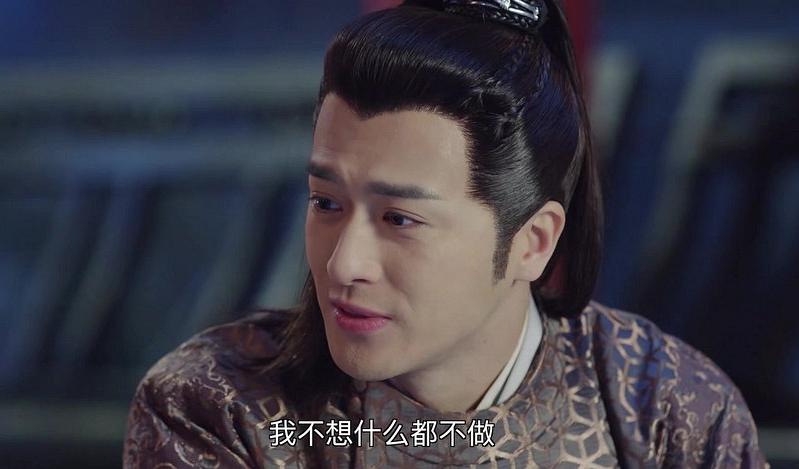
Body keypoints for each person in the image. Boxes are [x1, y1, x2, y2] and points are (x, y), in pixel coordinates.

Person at [123, 0, 768, 467]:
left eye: (400, 219)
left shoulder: (666, 410)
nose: (344, 264)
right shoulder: (224, 407)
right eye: (326, 202)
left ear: (533, 241)